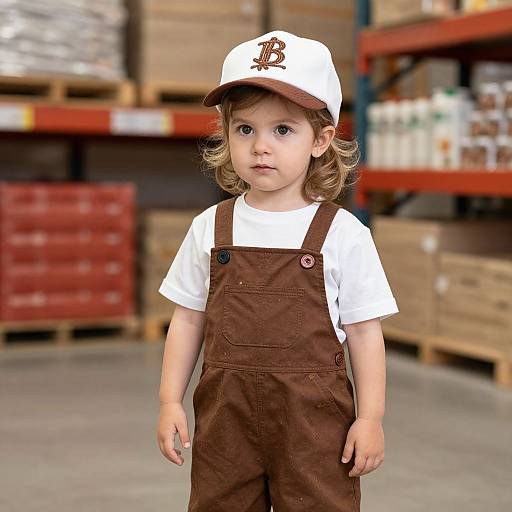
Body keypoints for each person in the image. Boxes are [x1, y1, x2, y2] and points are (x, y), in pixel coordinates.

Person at [156, 30, 399, 511]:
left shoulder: (343, 235)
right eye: (245, 129)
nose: (261, 147)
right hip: (227, 420)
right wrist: (169, 401)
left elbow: (366, 333)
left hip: (314, 426)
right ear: (226, 135)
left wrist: (370, 418)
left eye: (282, 130)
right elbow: (187, 319)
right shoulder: (211, 228)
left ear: (321, 139)